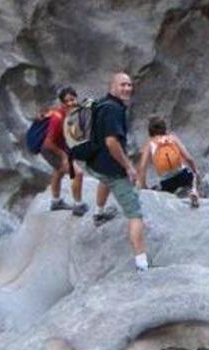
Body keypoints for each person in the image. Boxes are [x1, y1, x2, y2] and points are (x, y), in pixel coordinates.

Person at [85, 72, 149, 276]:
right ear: (112, 86)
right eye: (123, 85)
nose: (127, 88)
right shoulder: (113, 110)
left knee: (104, 180)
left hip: (95, 163)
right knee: (135, 215)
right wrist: (129, 167)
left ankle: (98, 212)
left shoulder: (102, 104)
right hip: (112, 168)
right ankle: (142, 264)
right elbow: (111, 142)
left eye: (129, 85)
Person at [40, 87, 88, 216]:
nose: (70, 103)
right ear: (62, 103)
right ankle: (78, 205)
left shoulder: (72, 113)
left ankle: (56, 202)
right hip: (50, 149)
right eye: (67, 101)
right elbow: (48, 143)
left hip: (59, 147)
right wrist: (63, 155)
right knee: (78, 173)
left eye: (72, 99)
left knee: (59, 171)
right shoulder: (58, 118)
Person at [137, 116, 201, 207]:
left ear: (150, 131)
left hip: (166, 181)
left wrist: (143, 186)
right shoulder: (172, 138)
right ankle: (193, 191)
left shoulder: (150, 144)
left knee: (161, 192)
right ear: (164, 128)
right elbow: (188, 158)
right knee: (193, 177)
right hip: (182, 174)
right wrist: (195, 171)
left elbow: (142, 167)